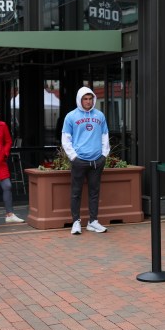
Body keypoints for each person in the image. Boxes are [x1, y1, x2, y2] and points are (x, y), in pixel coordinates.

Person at [62, 86, 110, 235]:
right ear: (80, 99)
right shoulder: (71, 116)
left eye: (90, 98)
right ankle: (76, 222)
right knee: (76, 192)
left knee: (94, 192)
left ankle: (92, 221)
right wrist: (74, 157)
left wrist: (104, 156)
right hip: (79, 161)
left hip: (97, 161)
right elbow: (65, 139)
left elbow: (105, 136)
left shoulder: (100, 116)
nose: (88, 101)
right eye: (85, 99)